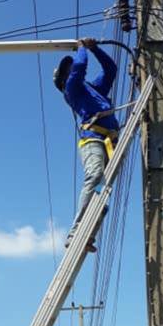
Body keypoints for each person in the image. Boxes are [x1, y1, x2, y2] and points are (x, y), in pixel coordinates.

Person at [53, 38, 119, 251]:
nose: (72, 68)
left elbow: (110, 69)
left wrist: (95, 49)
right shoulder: (71, 90)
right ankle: (76, 232)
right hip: (92, 139)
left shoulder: (94, 90)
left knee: (102, 191)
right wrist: (82, 48)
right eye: (68, 69)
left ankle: (88, 234)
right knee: (95, 175)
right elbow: (80, 67)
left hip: (108, 141)